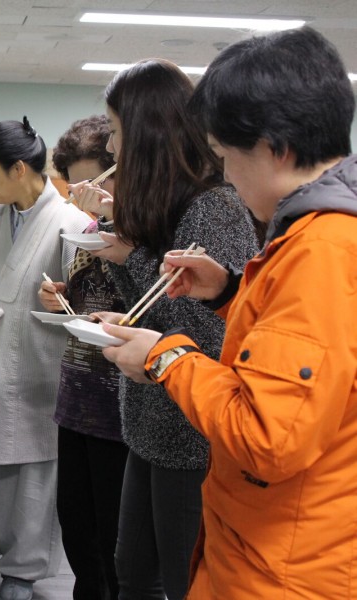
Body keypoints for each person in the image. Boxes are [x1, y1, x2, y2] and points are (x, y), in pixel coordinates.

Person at [101, 27, 357, 599]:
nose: (227, 178)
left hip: (286, 566)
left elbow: (268, 435)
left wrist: (165, 357)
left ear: (275, 148)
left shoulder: (324, 249)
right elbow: (307, 352)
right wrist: (228, 293)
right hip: (276, 543)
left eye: (224, 158)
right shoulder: (315, 236)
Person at [71, 59, 259, 600]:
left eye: (117, 132)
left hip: (192, 433)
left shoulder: (214, 210)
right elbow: (153, 309)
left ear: (149, 133)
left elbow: (211, 336)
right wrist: (122, 278)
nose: (111, 148)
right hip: (151, 423)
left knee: (181, 580)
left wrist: (130, 256)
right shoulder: (171, 205)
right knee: (133, 574)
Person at [0, 117, 92, 600]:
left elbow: (88, 305)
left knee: (29, 468)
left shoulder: (71, 224)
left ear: (19, 169)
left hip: (37, 364)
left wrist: (68, 300)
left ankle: (22, 570)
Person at [39, 115, 127, 600]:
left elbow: (147, 304)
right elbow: (89, 298)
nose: (83, 197)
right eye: (74, 187)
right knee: (76, 530)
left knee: (116, 547)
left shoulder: (143, 232)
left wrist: (116, 229)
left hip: (119, 410)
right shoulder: (89, 230)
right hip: (76, 399)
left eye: (92, 183)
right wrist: (62, 297)